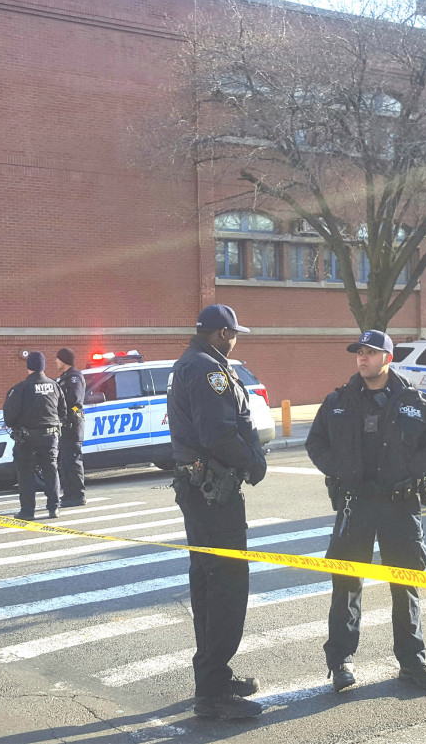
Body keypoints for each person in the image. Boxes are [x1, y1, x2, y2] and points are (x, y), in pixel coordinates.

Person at [306, 329, 426, 694]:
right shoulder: (338, 400)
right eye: (359, 352)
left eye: (370, 352)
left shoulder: (414, 401)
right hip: (354, 503)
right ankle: (340, 662)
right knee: (346, 582)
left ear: (387, 358)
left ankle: (412, 662)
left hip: (399, 504)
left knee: (405, 583)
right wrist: (338, 470)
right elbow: (316, 443)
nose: (362, 357)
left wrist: (411, 472)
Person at [167, 304, 267, 720]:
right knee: (225, 587)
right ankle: (212, 694)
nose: (236, 338)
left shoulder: (189, 363)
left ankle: (214, 675)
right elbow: (218, 434)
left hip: (201, 493)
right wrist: (253, 461)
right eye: (234, 333)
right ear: (222, 334)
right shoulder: (208, 370)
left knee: (209, 584)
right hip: (214, 494)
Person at [2, 351, 65, 520]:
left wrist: (18, 426)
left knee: (26, 473)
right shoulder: (54, 386)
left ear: (28, 367)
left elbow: (9, 416)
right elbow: (63, 412)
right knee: (51, 470)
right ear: (43, 367)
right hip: (50, 436)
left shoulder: (21, 388)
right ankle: (53, 508)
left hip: (27, 438)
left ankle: (28, 511)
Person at [55, 347, 87, 507]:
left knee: (73, 459)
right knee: (66, 461)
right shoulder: (63, 378)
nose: (55, 361)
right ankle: (68, 494)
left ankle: (78, 495)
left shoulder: (74, 377)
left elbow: (74, 399)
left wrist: (59, 401)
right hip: (64, 423)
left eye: (58, 359)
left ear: (64, 360)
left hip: (73, 422)